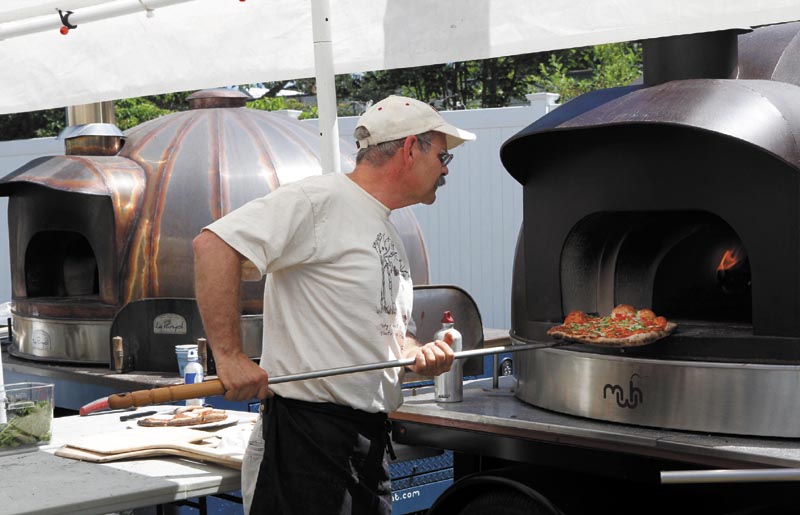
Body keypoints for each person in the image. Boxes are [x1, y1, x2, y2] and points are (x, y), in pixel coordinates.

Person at [192, 95, 476, 514]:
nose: (446, 167)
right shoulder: (318, 199)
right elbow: (213, 244)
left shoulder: (384, 226)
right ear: (410, 148)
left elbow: (385, 331)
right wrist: (230, 356)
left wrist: (416, 354)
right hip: (307, 441)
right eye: (442, 154)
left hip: (365, 442)